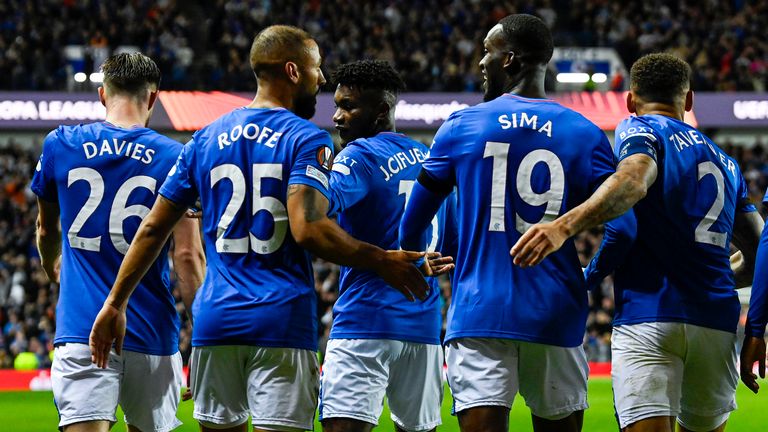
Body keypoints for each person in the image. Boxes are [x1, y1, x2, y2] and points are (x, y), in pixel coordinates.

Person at [89, 25, 432, 432]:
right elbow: (308, 228)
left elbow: (151, 230)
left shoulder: (203, 140)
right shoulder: (309, 139)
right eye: (316, 68)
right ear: (292, 71)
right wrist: (380, 259)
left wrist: (114, 303)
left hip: (217, 322)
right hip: (281, 321)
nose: (321, 79)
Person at [399, 14, 616, 432]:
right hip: (555, 312)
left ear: (510, 59)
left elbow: (413, 222)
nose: (481, 62)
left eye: (487, 52)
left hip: (480, 311)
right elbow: (624, 230)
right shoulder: (586, 133)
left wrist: (418, 263)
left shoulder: (462, 126)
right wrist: (586, 278)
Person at [585, 53, 763, 432]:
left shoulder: (637, 129)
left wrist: (566, 232)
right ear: (689, 100)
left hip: (650, 313)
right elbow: (763, 248)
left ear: (630, 101)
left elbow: (631, 188)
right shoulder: (727, 162)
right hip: (715, 321)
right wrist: (718, 282)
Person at [33, 52, 205, 432]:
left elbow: (46, 230)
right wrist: (205, 336)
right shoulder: (177, 158)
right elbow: (189, 258)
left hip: (82, 328)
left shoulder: (61, 144)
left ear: (101, 95)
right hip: (152, 333)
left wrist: (52, 265)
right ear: (153, 98)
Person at [319, 60, 455, 432]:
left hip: (365, 322)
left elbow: (317, 205)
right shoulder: (432, 161)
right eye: (338, 105)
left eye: (349, 106)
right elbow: (454, 244)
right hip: (424, 327)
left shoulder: (359, 155)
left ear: (382, 111)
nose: (337, 117)